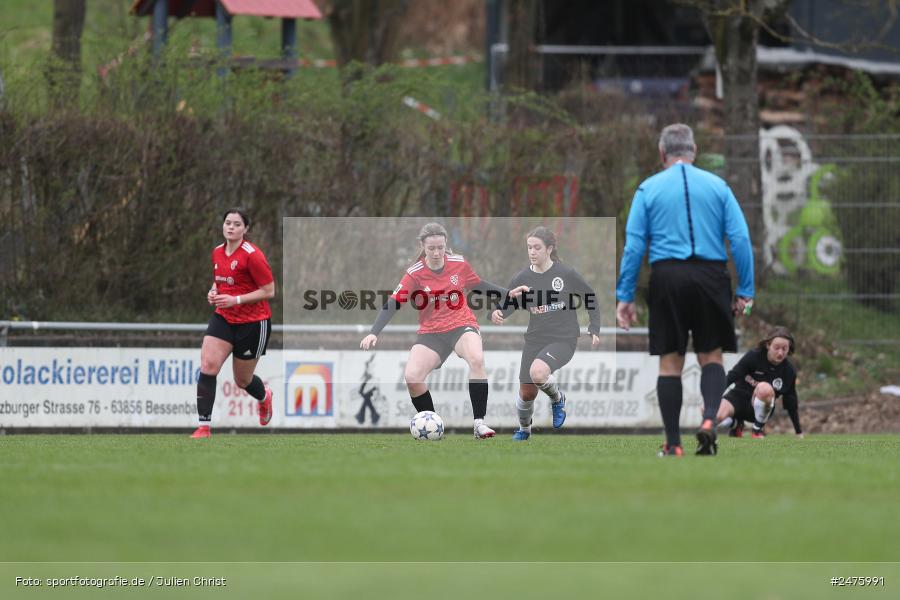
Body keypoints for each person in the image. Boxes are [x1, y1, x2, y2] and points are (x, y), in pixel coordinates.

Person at [616, 123, 755, 457]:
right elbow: (740, 239)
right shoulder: (719, 186)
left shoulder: (648, 189)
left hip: (668, 276)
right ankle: (709, 421)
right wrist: (745, 289)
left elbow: (634, 247)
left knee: (670, 362)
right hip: (711, 275)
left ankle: (673, 443)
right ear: (694, 151)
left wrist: (625, 294)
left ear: (662, 153)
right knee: (711, 356)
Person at [360, 222, 526, 439]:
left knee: (476, 359)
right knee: (412, 377)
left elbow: (479, 285)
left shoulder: (459, 264)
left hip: (461, 324)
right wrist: (374, 332)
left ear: (446, 244)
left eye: (440, 247)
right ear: (423, 246)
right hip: (431, 333)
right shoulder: (414, 273)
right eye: (431, 248)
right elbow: (393, 303)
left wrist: (508, 294)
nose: (437, 252)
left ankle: (479, 424)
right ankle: (431, 426)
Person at [490, 226, 601, 440]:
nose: (532, 252)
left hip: (564, 339)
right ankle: (524, 430)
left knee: (538, 373)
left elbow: (590, 297)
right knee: (527, 393)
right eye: (529, 247)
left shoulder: (565, 274)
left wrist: (594, 327)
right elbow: (510, 303)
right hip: (535, 339)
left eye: (537, 247)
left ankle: (557, 399)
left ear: (549, 249)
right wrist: (497, 313)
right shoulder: (522, 277)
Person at [192, 208, 276, 439]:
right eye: (227, 223)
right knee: (208, 365)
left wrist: (235, 299)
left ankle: (264, 397)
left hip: (254, 322)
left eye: (236, 224)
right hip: (224, 317)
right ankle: (203, 427)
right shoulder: (217, 252)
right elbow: (221, 281)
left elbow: (269, 291)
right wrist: (213, 292)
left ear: (245, 229)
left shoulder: (252, 255)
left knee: (243, 380)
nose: (231, 227)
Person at [717, 326, 803, 438]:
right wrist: (713, 398)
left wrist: (798, 431)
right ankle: (736, 425)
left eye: (784, 349)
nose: (780, 353)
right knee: (712, 414)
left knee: (765, 388)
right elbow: (732, 376)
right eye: (776, 348)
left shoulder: (788, 371)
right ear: (768, 345)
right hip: (737, 398)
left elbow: (791, 402)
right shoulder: (754, 356)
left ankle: (757, 430)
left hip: (758, 411)